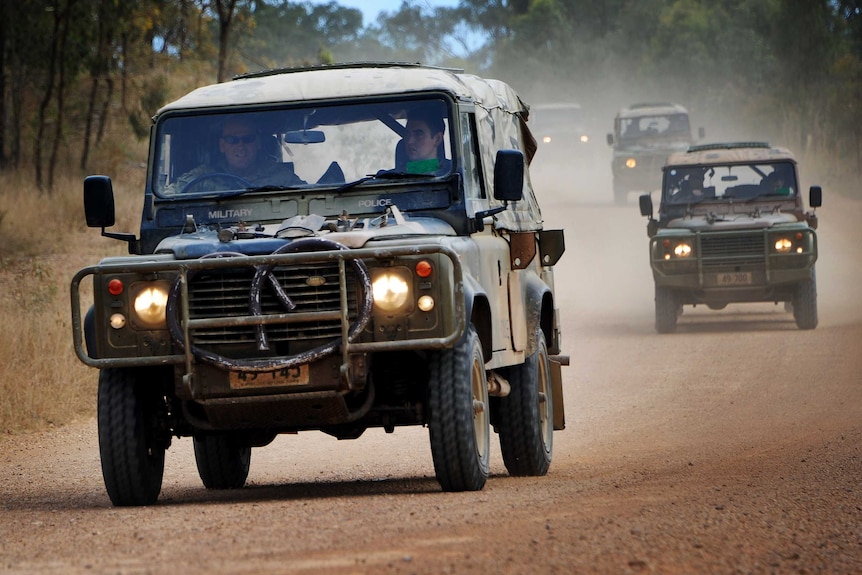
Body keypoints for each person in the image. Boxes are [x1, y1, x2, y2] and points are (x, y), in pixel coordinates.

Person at [168, 117, 304, 193]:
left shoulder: (278, 175)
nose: (240, 146)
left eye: (248, 139)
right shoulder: (204, 176)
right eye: (232, 140)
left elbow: (307, 196)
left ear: (258, 144)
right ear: (222, 146)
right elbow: (169, 196)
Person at [401, 109, 451, 175]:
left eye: (418, 134)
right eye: (407, 133)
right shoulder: (392, 177)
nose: (410, 141)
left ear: (437, 139)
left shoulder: (452, 173)